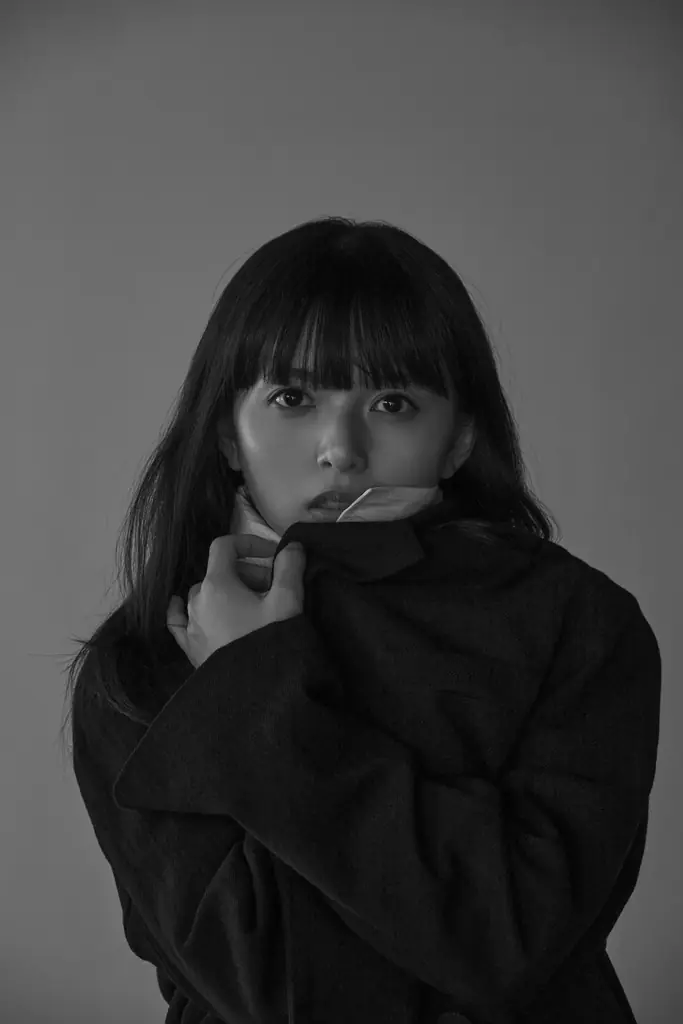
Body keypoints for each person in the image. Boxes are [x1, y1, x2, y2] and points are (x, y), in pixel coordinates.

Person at [60, 216, 661, 1024]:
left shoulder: (578, 623)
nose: (340, 449)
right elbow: (271, 991)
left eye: (391, 402)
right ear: (228, 434)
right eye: (292, 398)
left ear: (459, 440)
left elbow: (508, 942)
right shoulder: (142, 662)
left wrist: (253, 693)